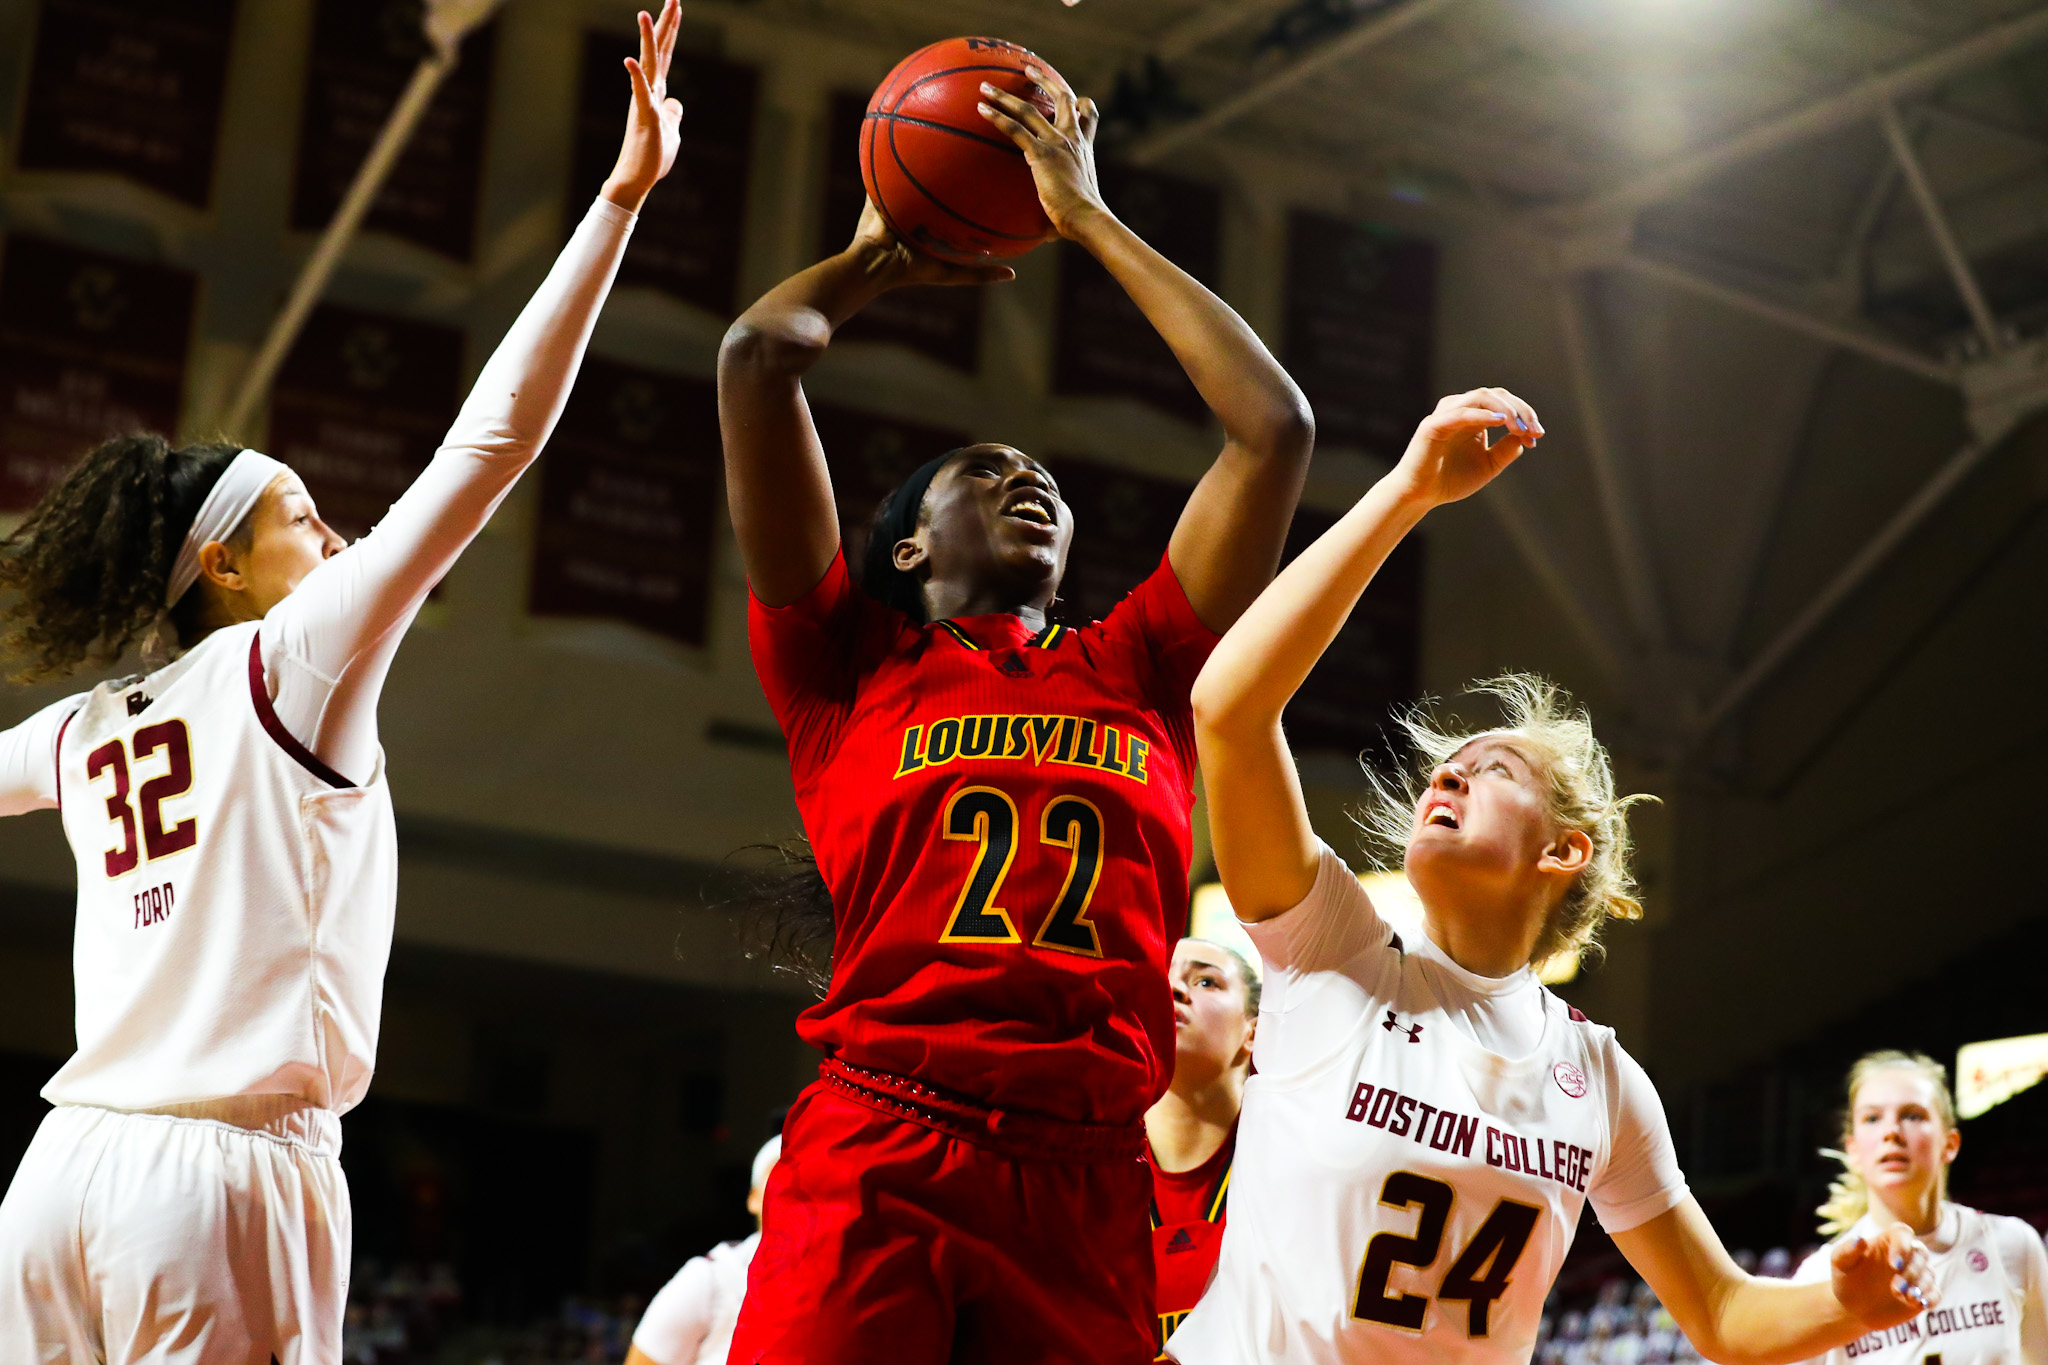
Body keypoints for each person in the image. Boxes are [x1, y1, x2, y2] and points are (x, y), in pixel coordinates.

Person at [0, 7, 685, 1360]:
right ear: (230, 572)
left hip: (58, 1178)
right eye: (304, 520)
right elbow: (489, 447)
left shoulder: (83, 729)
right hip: (219, 1182)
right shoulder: (290, 660)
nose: (340, 534)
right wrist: (617, 201)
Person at [715, 60, 1313, 1365]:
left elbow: (1272, 428)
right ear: (910, 550)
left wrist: (1086, 216)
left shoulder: (1143, 663)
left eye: (1043, 475)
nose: (1028, 483)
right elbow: (759, 359)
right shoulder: (842, 663)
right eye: (985, 474)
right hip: (886, 1139)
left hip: (1086, 1167)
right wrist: (876, 259)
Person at [1174, 386, 1940, 1364]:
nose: (1446, 773)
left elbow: (1723, 1317)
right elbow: (1229, 709)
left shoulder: (1598, 1080)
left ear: (1562, 851)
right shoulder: (1332, 951)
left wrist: (1845, 1305)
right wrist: (1406, 490)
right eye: (1445, 767)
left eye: (1491, 770)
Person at [1790, 1050, 2048, 1364]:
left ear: (1950, 1144)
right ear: (1853, 1150)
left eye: (1913, 1115)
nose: (1892, 1132)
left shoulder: (2013, 1245)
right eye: (1872, 1118)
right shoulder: (1819, 1276)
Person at [1144, 938, 1258, 1358]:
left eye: (1206, 981)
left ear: (1255, 1030)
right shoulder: (1091, 1163)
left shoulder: (1291, 1164)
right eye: (1163, 975)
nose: (1173, 989)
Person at [628, 1135, 783, 1365]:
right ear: (752, 1197)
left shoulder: (844, 1282)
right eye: (779, 1178)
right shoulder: (711, 1277)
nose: (791, 1193)